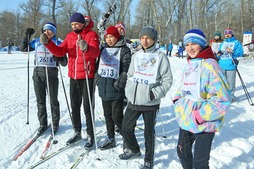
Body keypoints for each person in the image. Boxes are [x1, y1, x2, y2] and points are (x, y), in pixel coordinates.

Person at [40, 12, 100, 149]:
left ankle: (90, 134)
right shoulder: (69, 36)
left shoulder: (91, 35)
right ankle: (77, 131)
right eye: (72, 24)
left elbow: (96, 52)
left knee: (87, 107)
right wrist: (48, 43)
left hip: (87, 76)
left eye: (77, 23)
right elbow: (60, 51)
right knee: (75, 107)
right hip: (73, 76)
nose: (74, 26)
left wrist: (87, 47)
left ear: (83, 23)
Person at [173, 29, 232, 169]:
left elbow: (223, 99)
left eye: (194, 44)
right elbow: (183, 87)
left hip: (204, 121)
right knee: (182, 152)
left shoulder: (211, 66)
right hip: (186, 117)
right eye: (187, 44)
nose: (190, 48)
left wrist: (200, 115)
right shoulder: (190, 64)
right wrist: (177, 102)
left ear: (201, 44)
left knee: (200, 162)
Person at [119, 26, 173, 169]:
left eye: (148, 38)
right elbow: (130, 75)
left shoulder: (161, 57)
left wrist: (154, 94)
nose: (144, 40)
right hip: (134, 99)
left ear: (154, 40)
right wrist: (128, 91)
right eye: (142, 37)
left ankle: (148, 160)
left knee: (149, 134)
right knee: (125, 128)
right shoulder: (136, 55)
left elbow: (167, 81)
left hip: (149, 102)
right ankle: (135, 150)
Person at [21, 22, 67, 135]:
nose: (47, 32)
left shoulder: (58, 42)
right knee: (40, 101)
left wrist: (59, 57)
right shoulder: (37, 41)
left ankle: (55, 124)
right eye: (45, 30)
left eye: (50, 30)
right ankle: (43, 124)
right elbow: (23, 48)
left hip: (51, 74)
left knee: (53, 100)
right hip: (38, 73)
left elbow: (64, 63)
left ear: (54, 32)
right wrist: (26, 36)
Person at [96, 26, 131, 150]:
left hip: (116, 89)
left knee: (117, 117)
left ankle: (127, 140)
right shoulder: (103, 49)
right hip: (104, 88)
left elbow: (127, 68)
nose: (109, 39)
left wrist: (121, 81)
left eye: (112, 37)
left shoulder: (124, 50)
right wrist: (98, 79)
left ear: (117, 37)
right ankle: (110, 138)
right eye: (107, 37)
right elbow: (97, 66)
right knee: (107, 115)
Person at [217, 28, 244, 100]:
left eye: (229, 33)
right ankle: (223, 96)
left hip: (231, 65)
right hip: (221, 65)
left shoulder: (236, 42)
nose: (227, 34)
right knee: (222, 82)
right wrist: (218, 54)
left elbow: (240, 53)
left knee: (231, 83)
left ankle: (231, 97)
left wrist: (232, 51)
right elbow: (219, 53)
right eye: (225, 33)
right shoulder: (223, 43)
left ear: (231, 33)